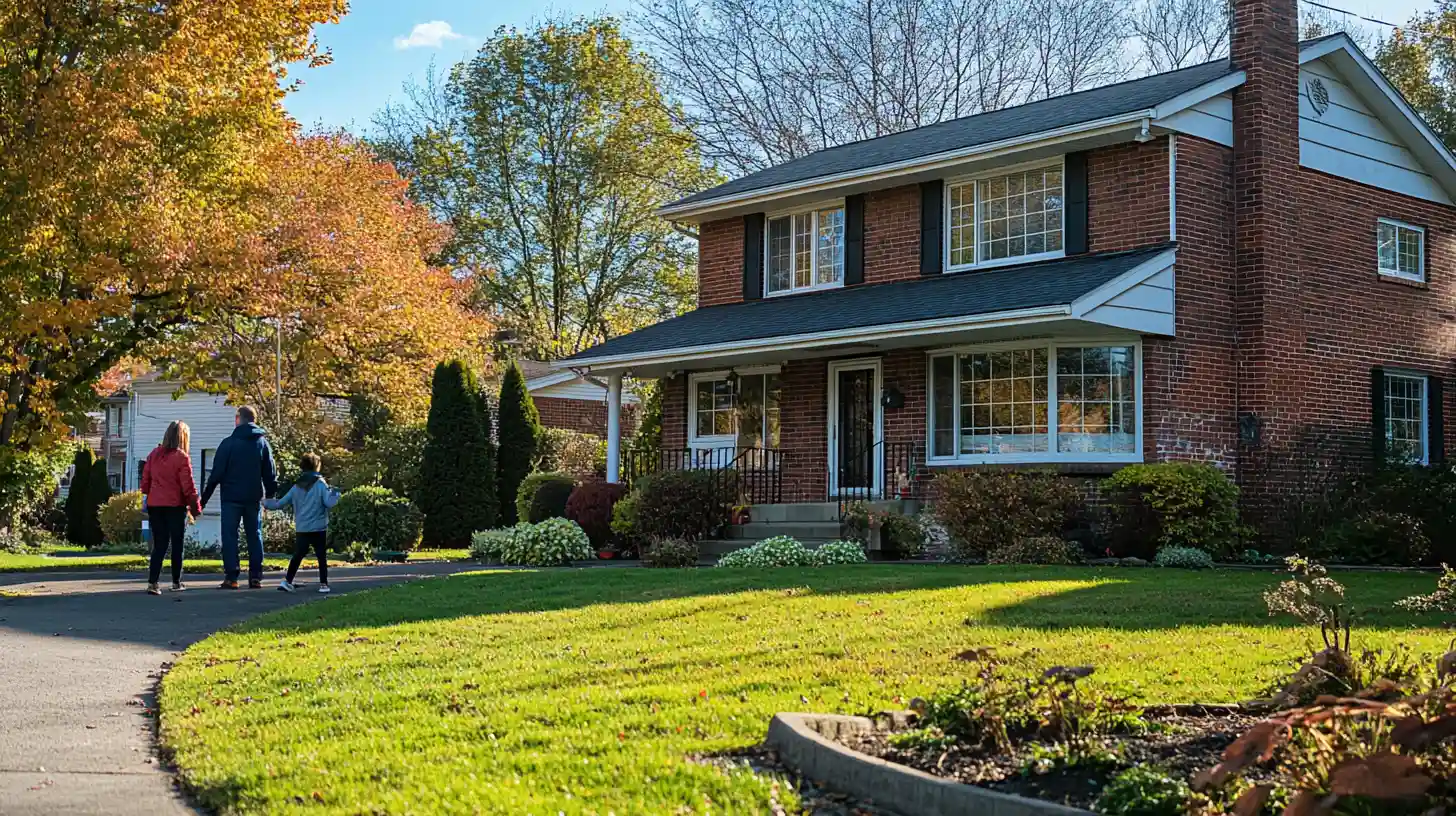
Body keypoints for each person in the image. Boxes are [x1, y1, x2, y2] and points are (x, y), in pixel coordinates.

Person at [199, 405, 279, 589]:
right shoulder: (261, 444)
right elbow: (270, 472)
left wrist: (202, 501)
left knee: (229, 536)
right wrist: (270, 495)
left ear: (238, 419)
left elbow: (215, 476)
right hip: (253, 497)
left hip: (231, 497)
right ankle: (255, 576)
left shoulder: (228, 444)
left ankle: (232, 576)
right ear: (254, 420)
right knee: (254, 535)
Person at [264, 452, 340, 594]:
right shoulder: (320, 484)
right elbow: (328, 503)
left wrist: (265, 503)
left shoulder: (296, 487)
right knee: (321, 557)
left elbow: (280, 503)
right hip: (318, 527)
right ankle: (323, 584)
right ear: (317, 466)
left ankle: (287, 581)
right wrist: (336, 493)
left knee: (298, 555)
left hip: (302, 527)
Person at [140, 421, 202, 595]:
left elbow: (145, 482)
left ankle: (153, 582)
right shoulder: (181, 457)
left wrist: (149, 494)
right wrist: (195, 508)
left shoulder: (154, 454)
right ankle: (176, 581)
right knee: (177, 544)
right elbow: (188, 487)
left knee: (159, 544)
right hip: (175, 506)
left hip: (155, 505)